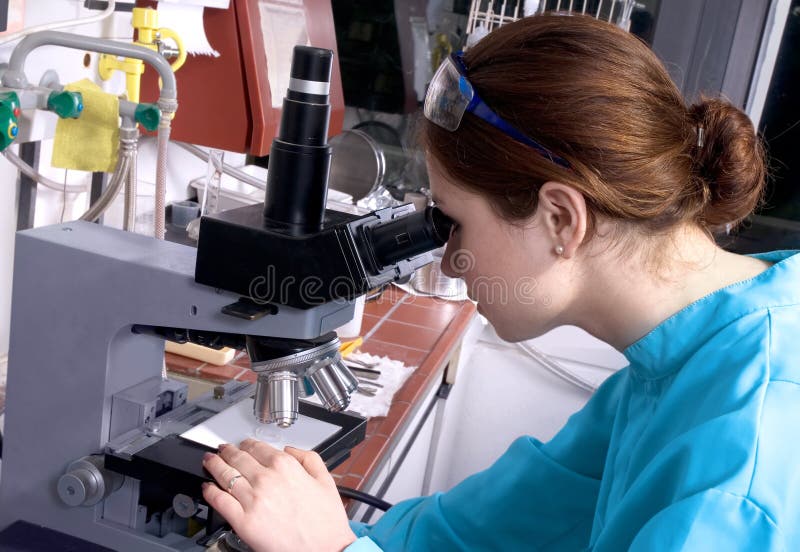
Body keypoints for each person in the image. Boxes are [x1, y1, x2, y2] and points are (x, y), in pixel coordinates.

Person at [199, 14, 800, 551]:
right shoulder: (680, 362)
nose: (449, 258)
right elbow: (484, 532)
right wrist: (329, 532)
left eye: (453, 223)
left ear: (561, 219)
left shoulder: (737, 477)